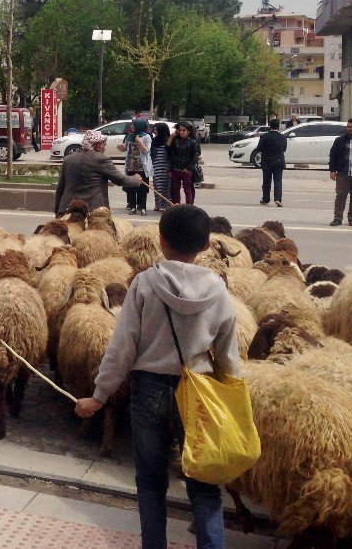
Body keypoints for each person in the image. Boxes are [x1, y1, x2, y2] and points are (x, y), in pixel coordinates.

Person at [75, 205, 239, 549]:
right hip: (198, 392)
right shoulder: (218, 291)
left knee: (150, 482)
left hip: (148, 390)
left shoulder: (144, 284)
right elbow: (227, 357)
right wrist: (233, 400)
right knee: (203, 484)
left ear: (161, 241)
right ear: (206, 245)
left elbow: (122, 348)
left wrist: (99, 396)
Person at [54, 130, 142, 215]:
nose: (105, 147)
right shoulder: (101, 159)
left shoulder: (68, 159)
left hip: (68, 209)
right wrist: (136, 179)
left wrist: (57, 209)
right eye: (104, 144)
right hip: (93, 211)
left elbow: (60, 187)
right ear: (98, 145)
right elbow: (120, 180)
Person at [117, 119, 152, 216]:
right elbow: (125, 148)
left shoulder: (147, 136)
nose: (131, 126)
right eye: (132, 124)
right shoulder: (129, 136)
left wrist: (140, 142)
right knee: (131, 187)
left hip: (141, 166)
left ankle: (142, 207)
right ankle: (132, 206)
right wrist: (120, 147)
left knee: (143, 187)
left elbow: (147, 151)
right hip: (131, 165)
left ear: (139, 125)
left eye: (134, 125)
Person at [166, 122, 200, 205]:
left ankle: (189, 207)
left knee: (187, 189)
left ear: (188, 131)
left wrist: (189, 168)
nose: (181, 132)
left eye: (184, 130)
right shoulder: (176, 140)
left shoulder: (193, 141)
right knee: (175, 189)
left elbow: (195, 156)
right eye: (180, 130)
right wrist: (171, 136)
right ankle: (176, 206)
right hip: (175, 168)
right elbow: (168, 150)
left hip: (186, 169)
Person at [256, 118, 287, 207]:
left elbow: (259, 148)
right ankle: (278, 199)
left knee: (266, 181)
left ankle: (266, 199)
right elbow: (284, 149)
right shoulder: (282, 137)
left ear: (270, 126)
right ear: (278, 127)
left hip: (266, 161)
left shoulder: (264, 136)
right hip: (278, 161)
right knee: (278, 181)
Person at [149, 122, 172, 212]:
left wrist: (169, 167)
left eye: (156, 129)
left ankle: (166, 205)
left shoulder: (168, 141)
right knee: (157, 186)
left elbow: (170, 154)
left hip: (165, 165)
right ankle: (158, 205)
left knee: (165, 186)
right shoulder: (154, 140)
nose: (154, 131)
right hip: (156, 165)